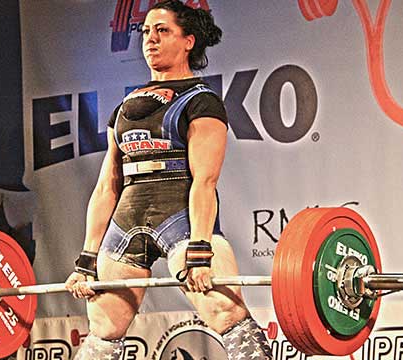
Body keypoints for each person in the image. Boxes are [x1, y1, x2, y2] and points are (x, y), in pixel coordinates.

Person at [65, 1, 273, 359]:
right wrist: (86, 258)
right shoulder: (126, 106)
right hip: (126, 224)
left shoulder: (202, 101)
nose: (150, 39)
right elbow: (107, 186)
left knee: (227, 314)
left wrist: (200, 248)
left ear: (188, 40)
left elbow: (205, 182)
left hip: (181, 222)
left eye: (163, 31)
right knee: (102, 334)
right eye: (146, 31)